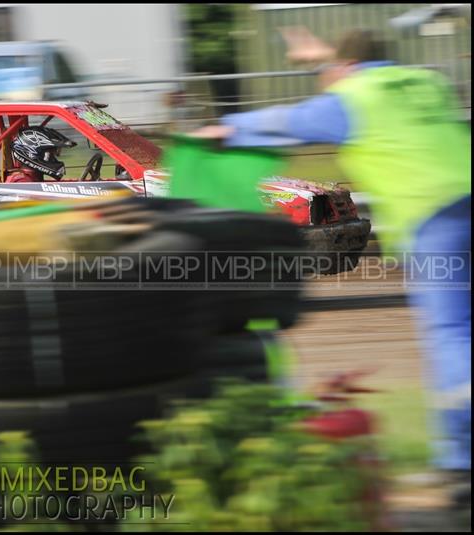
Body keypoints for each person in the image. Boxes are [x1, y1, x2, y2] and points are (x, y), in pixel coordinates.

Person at [193, 28, 471, 504]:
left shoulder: (353, 97)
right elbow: (361, 73)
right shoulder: (423, 81)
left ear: (343, 69)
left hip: (436, 217)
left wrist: (227, 128)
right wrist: (326, 58)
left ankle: (461, 464)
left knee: (454, 335)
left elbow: (294, 121)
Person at [9, 126, 77, 182]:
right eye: (50, 153)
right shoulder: (22, 181)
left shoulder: (33, 176)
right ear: (33, 153)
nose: (53, 157)